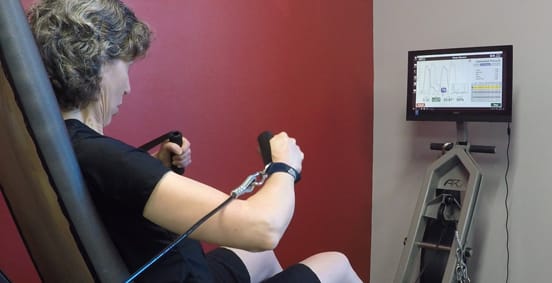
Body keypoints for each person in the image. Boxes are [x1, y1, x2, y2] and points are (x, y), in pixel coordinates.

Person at [27, 0, 362, 282]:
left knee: (259, 258)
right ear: (97, 63)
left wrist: (154, 171)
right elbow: (264, 228)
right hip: (186, 276)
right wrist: (283, 166)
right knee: (336, 263)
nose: (127, 87)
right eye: (125, 66)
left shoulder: (68, 146)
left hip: (176, 270)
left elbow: (122, 194)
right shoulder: (102, 157)